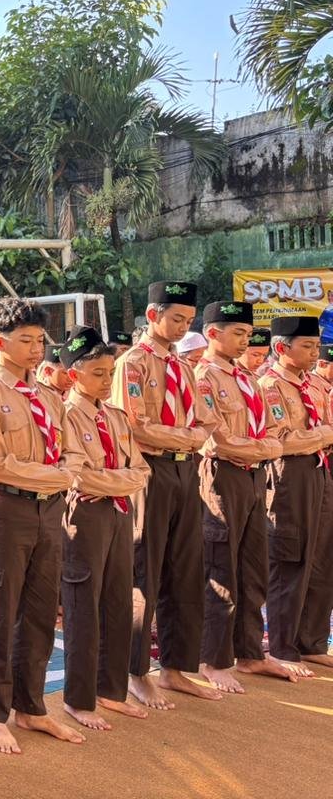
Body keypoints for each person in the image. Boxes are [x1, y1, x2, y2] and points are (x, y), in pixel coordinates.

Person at [0, 297, 81, 753]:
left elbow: (73, 452)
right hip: (8, 512)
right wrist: (58, 475)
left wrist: (60, 475)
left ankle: (31, 706)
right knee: (1, 612)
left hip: (50, 512)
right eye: (26, 340)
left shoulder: (50, 396)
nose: (37, 349)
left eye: (40, 340)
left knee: (39, 611)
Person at [111, 281, 218, 710]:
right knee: (145, 567)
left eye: (188, 320)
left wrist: (188, 438)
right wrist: (186, 436)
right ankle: (135, 671)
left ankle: (175, 667)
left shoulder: (183, 365)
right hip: (150, 471)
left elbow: (207, 421)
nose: (182, 327)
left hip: (185, 469)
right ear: (153, 315)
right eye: (176, 318)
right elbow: (135, 426)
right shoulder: (133, 364)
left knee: (185, 567)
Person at [193, 301, 290, 692]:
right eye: (238, 333)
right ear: (212, 333)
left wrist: (261, 449)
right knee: (221, 567)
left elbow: (275, 432)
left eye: (248, 334)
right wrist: (262, 449)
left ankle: (249, 652)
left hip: (253, 475)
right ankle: (212, 659)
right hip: (222, 476)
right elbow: (217, 439)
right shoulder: (203, 377)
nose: (245, 341)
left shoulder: (247, 377)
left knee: (254, 567)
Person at [57, 326, 150, 731]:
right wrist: (121, 480)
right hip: (85, 518)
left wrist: (115, 481)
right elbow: (79, 477)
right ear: (74, 374)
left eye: (110, 372)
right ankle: (79, 699)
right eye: (97, 373)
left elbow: (141, 470)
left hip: (118, 513)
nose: (106, 380)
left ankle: (111, 689)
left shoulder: (115, 416)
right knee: (83, 606)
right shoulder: (64, 414)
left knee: (118, 601)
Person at [259, 315, 333, 673]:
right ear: (281, 348)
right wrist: (324, 436)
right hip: (289, 474)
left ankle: (311, 641)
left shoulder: (315, 384)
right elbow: (279, 440)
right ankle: (283, 647)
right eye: (307, 346)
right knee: (290, 558)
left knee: (322, 557)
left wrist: (322, 437)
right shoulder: (269, 386)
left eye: (316, 345)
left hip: (319, 469)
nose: (315, 352)